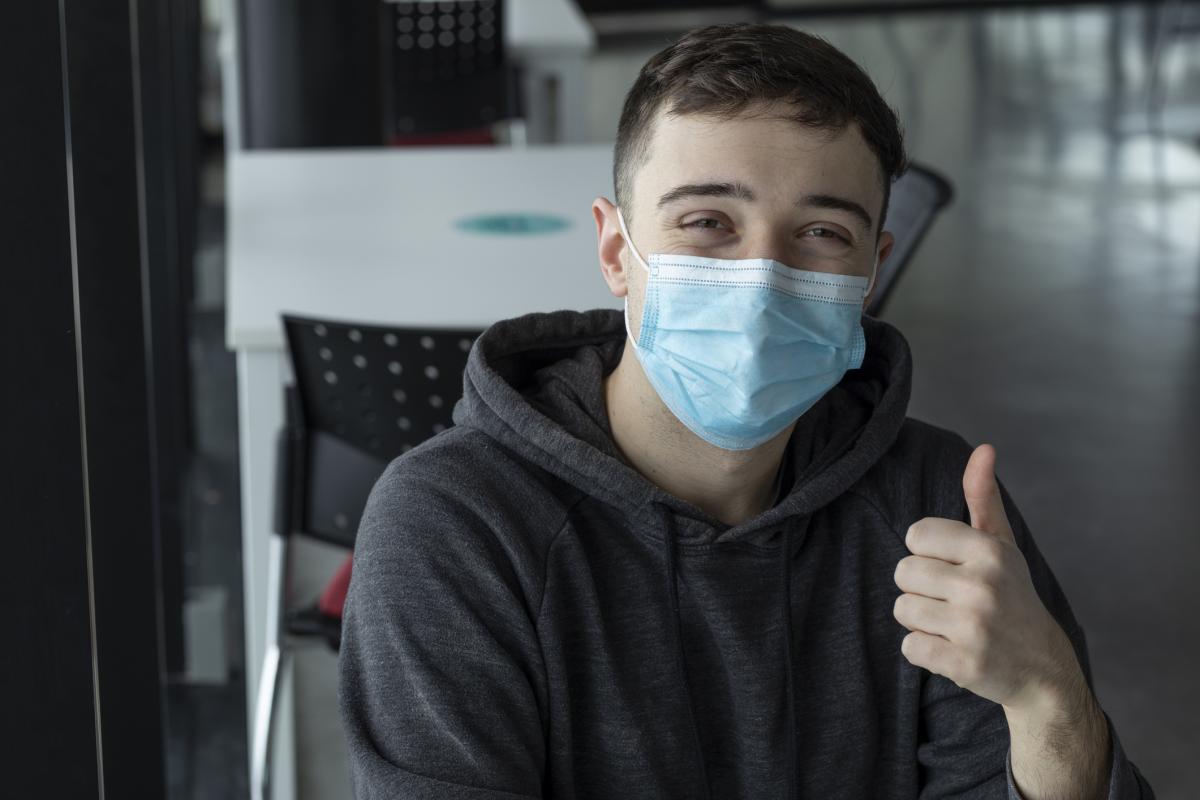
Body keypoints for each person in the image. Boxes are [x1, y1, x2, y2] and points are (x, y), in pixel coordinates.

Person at [339, 22, 1154, 799]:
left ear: (870, 274)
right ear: (617, 251)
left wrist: (1048, 696)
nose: (762, 279)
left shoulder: (937, 506)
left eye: (822, 233)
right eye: (707, 222)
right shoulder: (457, 524)